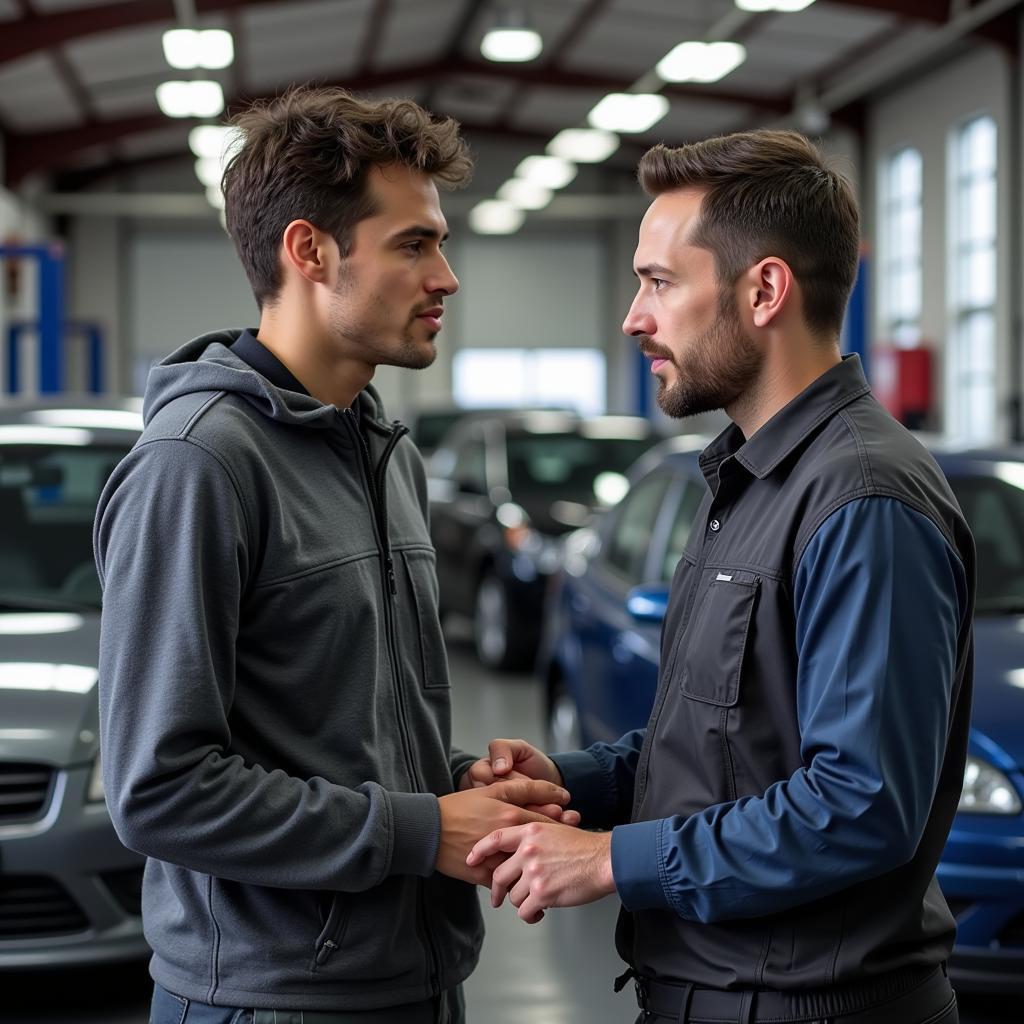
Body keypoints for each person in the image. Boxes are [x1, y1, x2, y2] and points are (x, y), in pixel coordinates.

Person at [94, 85, 579, 1024]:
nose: (446, 277)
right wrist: (422, 828)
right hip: (270, 998)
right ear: (309, 250)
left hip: (414, 979)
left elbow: (334, 725)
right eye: (413, 244)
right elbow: (159, 792)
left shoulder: (381, 449)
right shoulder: (198, 465)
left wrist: (455, 783)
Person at [465, 129, 973, 1024]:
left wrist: (612, 860)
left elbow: (858, 808)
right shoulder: (742, 478)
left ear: (765, 290)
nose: (634, 316)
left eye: (659, 281)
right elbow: (732, 749)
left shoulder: (862, 499)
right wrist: (569, 781)